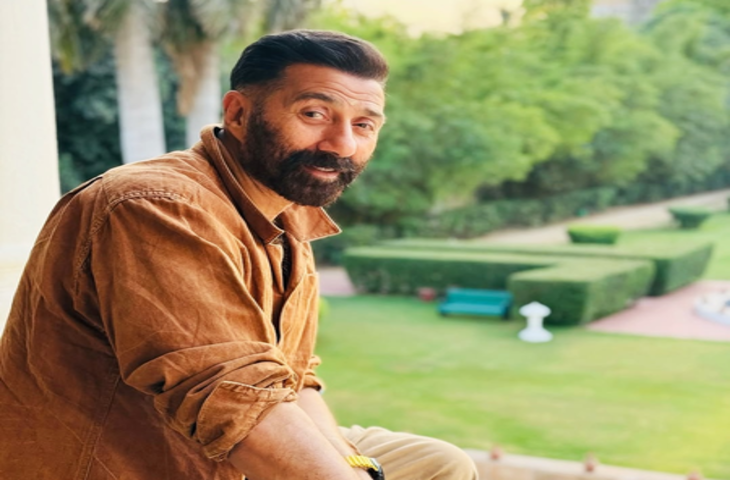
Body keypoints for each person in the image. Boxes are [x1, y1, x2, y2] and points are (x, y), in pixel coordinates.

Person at [0, 30, 478, 480]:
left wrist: (354, 466)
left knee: (438, 463)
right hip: (129, 457)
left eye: (363, 124)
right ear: (238, 114)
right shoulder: (156, 207)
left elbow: (291, 380)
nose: (342, 144)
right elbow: (232, 397)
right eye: (314, 114)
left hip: (225, 438)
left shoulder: (285, 212)